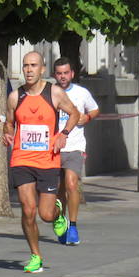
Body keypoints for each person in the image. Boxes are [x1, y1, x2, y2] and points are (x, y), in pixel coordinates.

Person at [4, 51, 80, 273]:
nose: (28, 70)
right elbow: (8, 122)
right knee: (28, 210)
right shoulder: (15, 96)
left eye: (33, 65)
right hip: (21, 159)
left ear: (42, 69)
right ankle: (35, 255)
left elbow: (74, 114)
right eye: (25, 65)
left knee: (45, 214)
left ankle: (57, 212)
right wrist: (7, 132)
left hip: (48, 160)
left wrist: (63, 133)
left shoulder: (54, 93)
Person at [53, 56, 99, 245]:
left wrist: (87, 117)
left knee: (72, 185)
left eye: (66, 73)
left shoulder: (82, 93)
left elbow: (95, 109)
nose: (63, 77)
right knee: (58, 190)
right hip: (54, 147)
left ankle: (73, 226)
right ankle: (61, 221)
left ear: (72, 73)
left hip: (75, 146)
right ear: (54, 75)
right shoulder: (50, 93)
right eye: (59, 73)